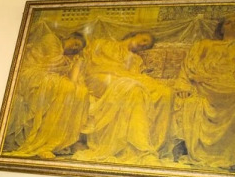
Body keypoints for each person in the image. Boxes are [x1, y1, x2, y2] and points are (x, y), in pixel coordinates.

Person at [71, 31, 174, 164]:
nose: (143, 45)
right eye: (144, 40)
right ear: (135, 35)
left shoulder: (136, 60)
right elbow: (84, 61)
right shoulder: (104, 44)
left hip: (123, 80)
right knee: (134, 89)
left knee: (165, 93)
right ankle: (141, 149)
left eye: (146, 46)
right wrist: (77, 81)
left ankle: (153, 145)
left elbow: (136, 77)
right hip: (100, 79)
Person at [175, 15, 235, 170]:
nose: (233, 24)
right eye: (228, 22)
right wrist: (183, 85)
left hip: (228, 83)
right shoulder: (205, 45)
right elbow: (188, 66)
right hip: (203, 83)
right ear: (221, 29)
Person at [3, 31, 90, 158]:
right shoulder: (51, 39)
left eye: (78, 49)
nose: (75, 48)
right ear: (69, 37)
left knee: (79, 91)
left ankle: (51, 141)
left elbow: (73, 80)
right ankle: (41, 142)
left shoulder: (67, 58)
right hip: (31, 72)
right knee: (62, 86)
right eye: (76, 43)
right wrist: (70, 61)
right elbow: (51, 64)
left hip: (46, 76)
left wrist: (77, 64)